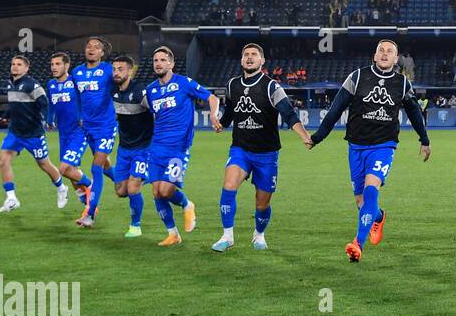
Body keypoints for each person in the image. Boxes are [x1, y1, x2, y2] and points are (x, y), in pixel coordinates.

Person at [306, 39, 431, 263]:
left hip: (384, 145)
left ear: (396, 58)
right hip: (356, 146)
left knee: (371, 190)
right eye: (381, 51)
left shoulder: (402, 83)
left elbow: (414, 112)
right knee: (361, 203)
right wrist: (318, 137)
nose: (384, 54)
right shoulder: (356, 77)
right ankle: (379, 217)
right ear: (374, 56)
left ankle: (357, 244)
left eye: (390, 51)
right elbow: (335, 110)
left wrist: (424, 139)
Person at [210, 44, 311, 253]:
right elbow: (230, 112)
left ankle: (259, 235)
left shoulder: (272, 87)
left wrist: (304, 135)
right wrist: (222, 123)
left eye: (254, 55)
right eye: (246, 55)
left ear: (262, 61)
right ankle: (227, 236)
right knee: (229, 185)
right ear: (241, 60)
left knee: (261, 204)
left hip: (266, 153)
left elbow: (289, 114)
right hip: (240, 149)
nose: (249, 58)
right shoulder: (232, 85)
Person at [144, 46, 220, 245]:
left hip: (178, 147)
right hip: (156, 147)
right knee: (156, 192)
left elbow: (212, 97)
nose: (158, 63)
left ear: (171, 63)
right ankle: (173, 234)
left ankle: (187, 204)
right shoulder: (151, 90)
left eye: (162, 60)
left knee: (166, 190)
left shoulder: (184, 83)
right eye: (155, 60)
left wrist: (213, 114)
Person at [0, 54, 68, 213]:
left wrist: (46, 120)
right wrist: (6, 116)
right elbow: (15, 105)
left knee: (44, 164)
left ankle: (62, 187)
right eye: (13, 64)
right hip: (15, 132)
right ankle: (11, 198)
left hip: (33, 134)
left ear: (26, 68)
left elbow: (45, 104)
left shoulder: (32, 85)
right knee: (3, 160)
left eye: (19, 64)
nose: (15, 66)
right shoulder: (10, 84)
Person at [71, 37, 120, 224]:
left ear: (102, 53)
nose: (91, 49)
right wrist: (79, 117)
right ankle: (131, 182)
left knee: (96, 167)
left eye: (96, 47)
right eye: (88, 46)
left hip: (106, 127)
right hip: (87, 127)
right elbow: (76, 98)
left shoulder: (109, 70)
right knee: (107, 167)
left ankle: (90, 214)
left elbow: (121, 83)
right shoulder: (77, 72)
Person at [44, 51, 93, 217]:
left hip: (78, 131)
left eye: (58, 64)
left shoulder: (75, 81)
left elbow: (83, 100)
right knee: (72, 173)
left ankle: (90, 186)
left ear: (67, 65)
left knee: (64, 169)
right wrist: (49, 120)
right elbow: (51, 104)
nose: (54, 67)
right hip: (63, 133)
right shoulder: (51, 84)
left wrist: (82, 117)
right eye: (52, 64)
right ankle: (88, 205)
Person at [110, 54, 152, 238]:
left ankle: (135, 226)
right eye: (114, 69)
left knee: (133, 187)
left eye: (120, 69)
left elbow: (157, 113)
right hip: (124, 148)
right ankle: (147, 176)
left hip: (143, 148)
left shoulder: (141, 92)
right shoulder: (113, 91)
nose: (116, 73)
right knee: (121, 191)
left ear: (130, 71)